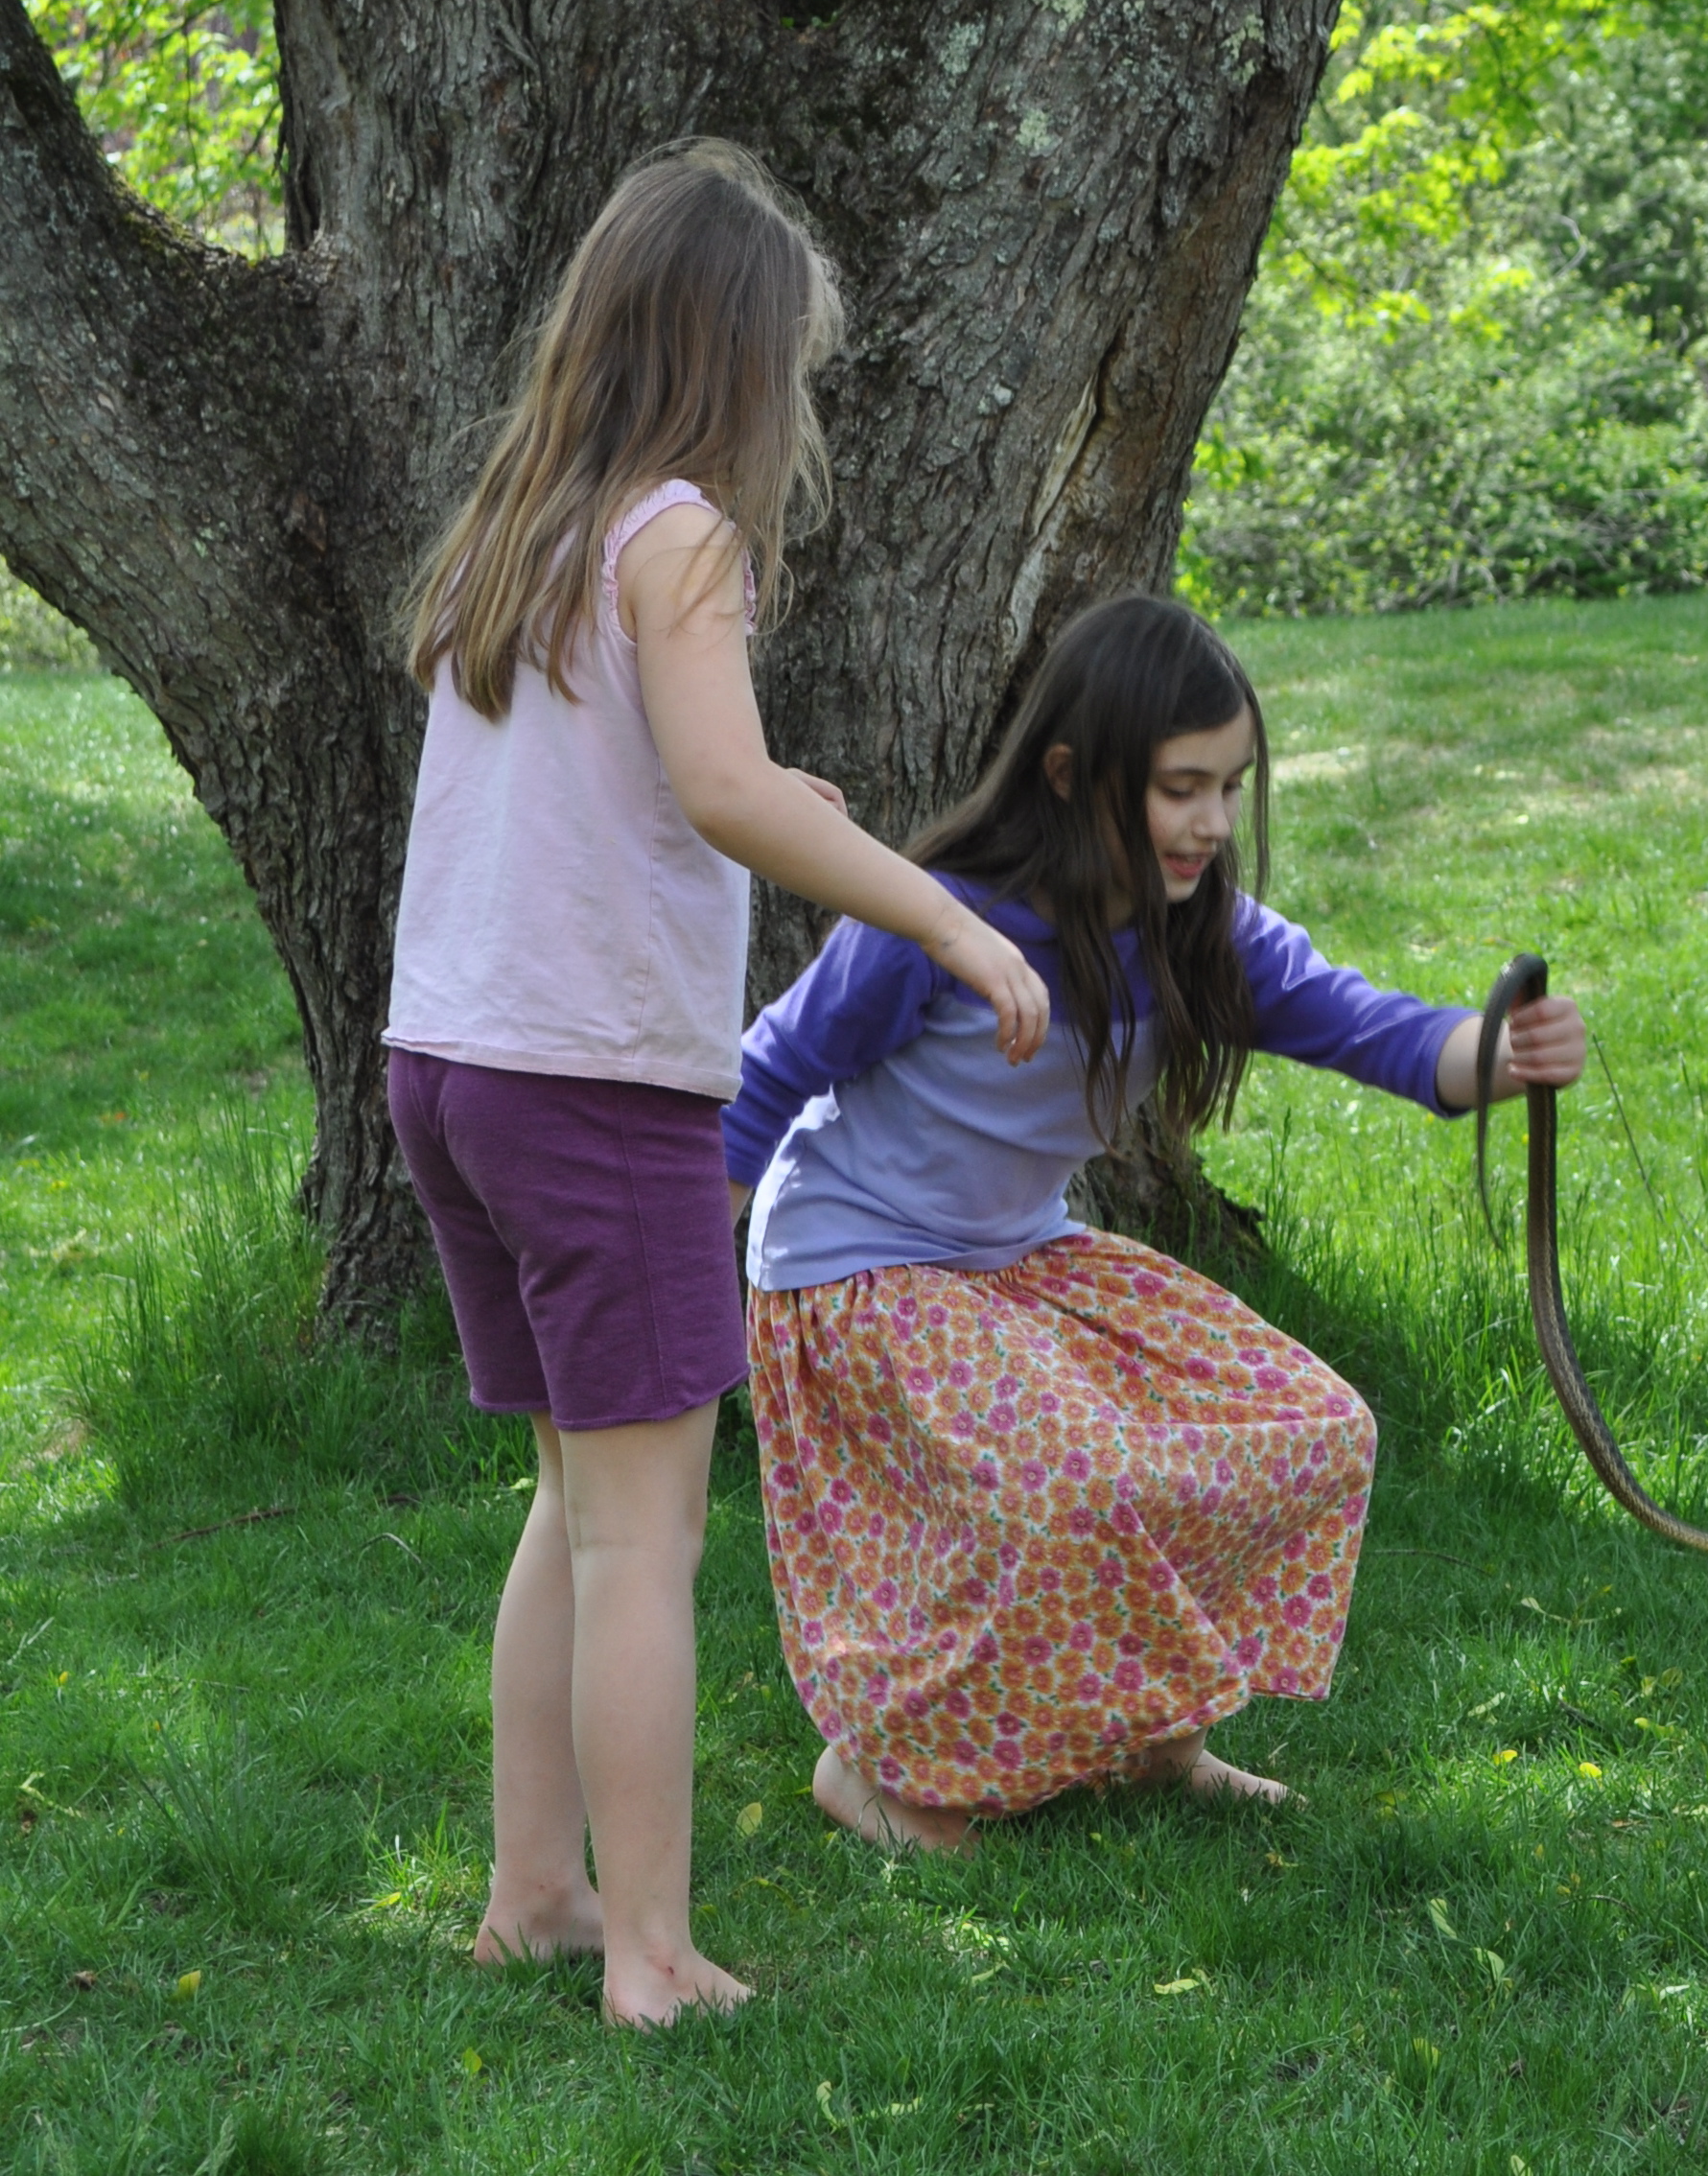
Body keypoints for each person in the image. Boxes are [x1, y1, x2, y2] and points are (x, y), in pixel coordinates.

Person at [385, 140, 1050, 2025]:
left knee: (568, 1508)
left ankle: (535, 1893)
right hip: (595, 1099)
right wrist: (958, 927)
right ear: (739, 357)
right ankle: (657, 1956)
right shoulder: (682, 532)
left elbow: (634, 797)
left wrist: (772, 810)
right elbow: (717, 791)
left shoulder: (521, 525)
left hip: (452, 1070)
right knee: (649, 1539)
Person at [723, 594, 1587, 1853]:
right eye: (1182, 787)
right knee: (1072, 1475)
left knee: (1305, 1430)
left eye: (1229, 787)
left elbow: (1382, 1032)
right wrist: (689, 1274)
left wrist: (1496, 1051)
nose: (1211, 822)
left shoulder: (1201, 938)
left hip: (1015, 1256)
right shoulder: (936, 921)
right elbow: (763, 1082)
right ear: (1073, 774)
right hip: (856, 1263)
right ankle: (878, 1767)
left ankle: (1152, 1736)